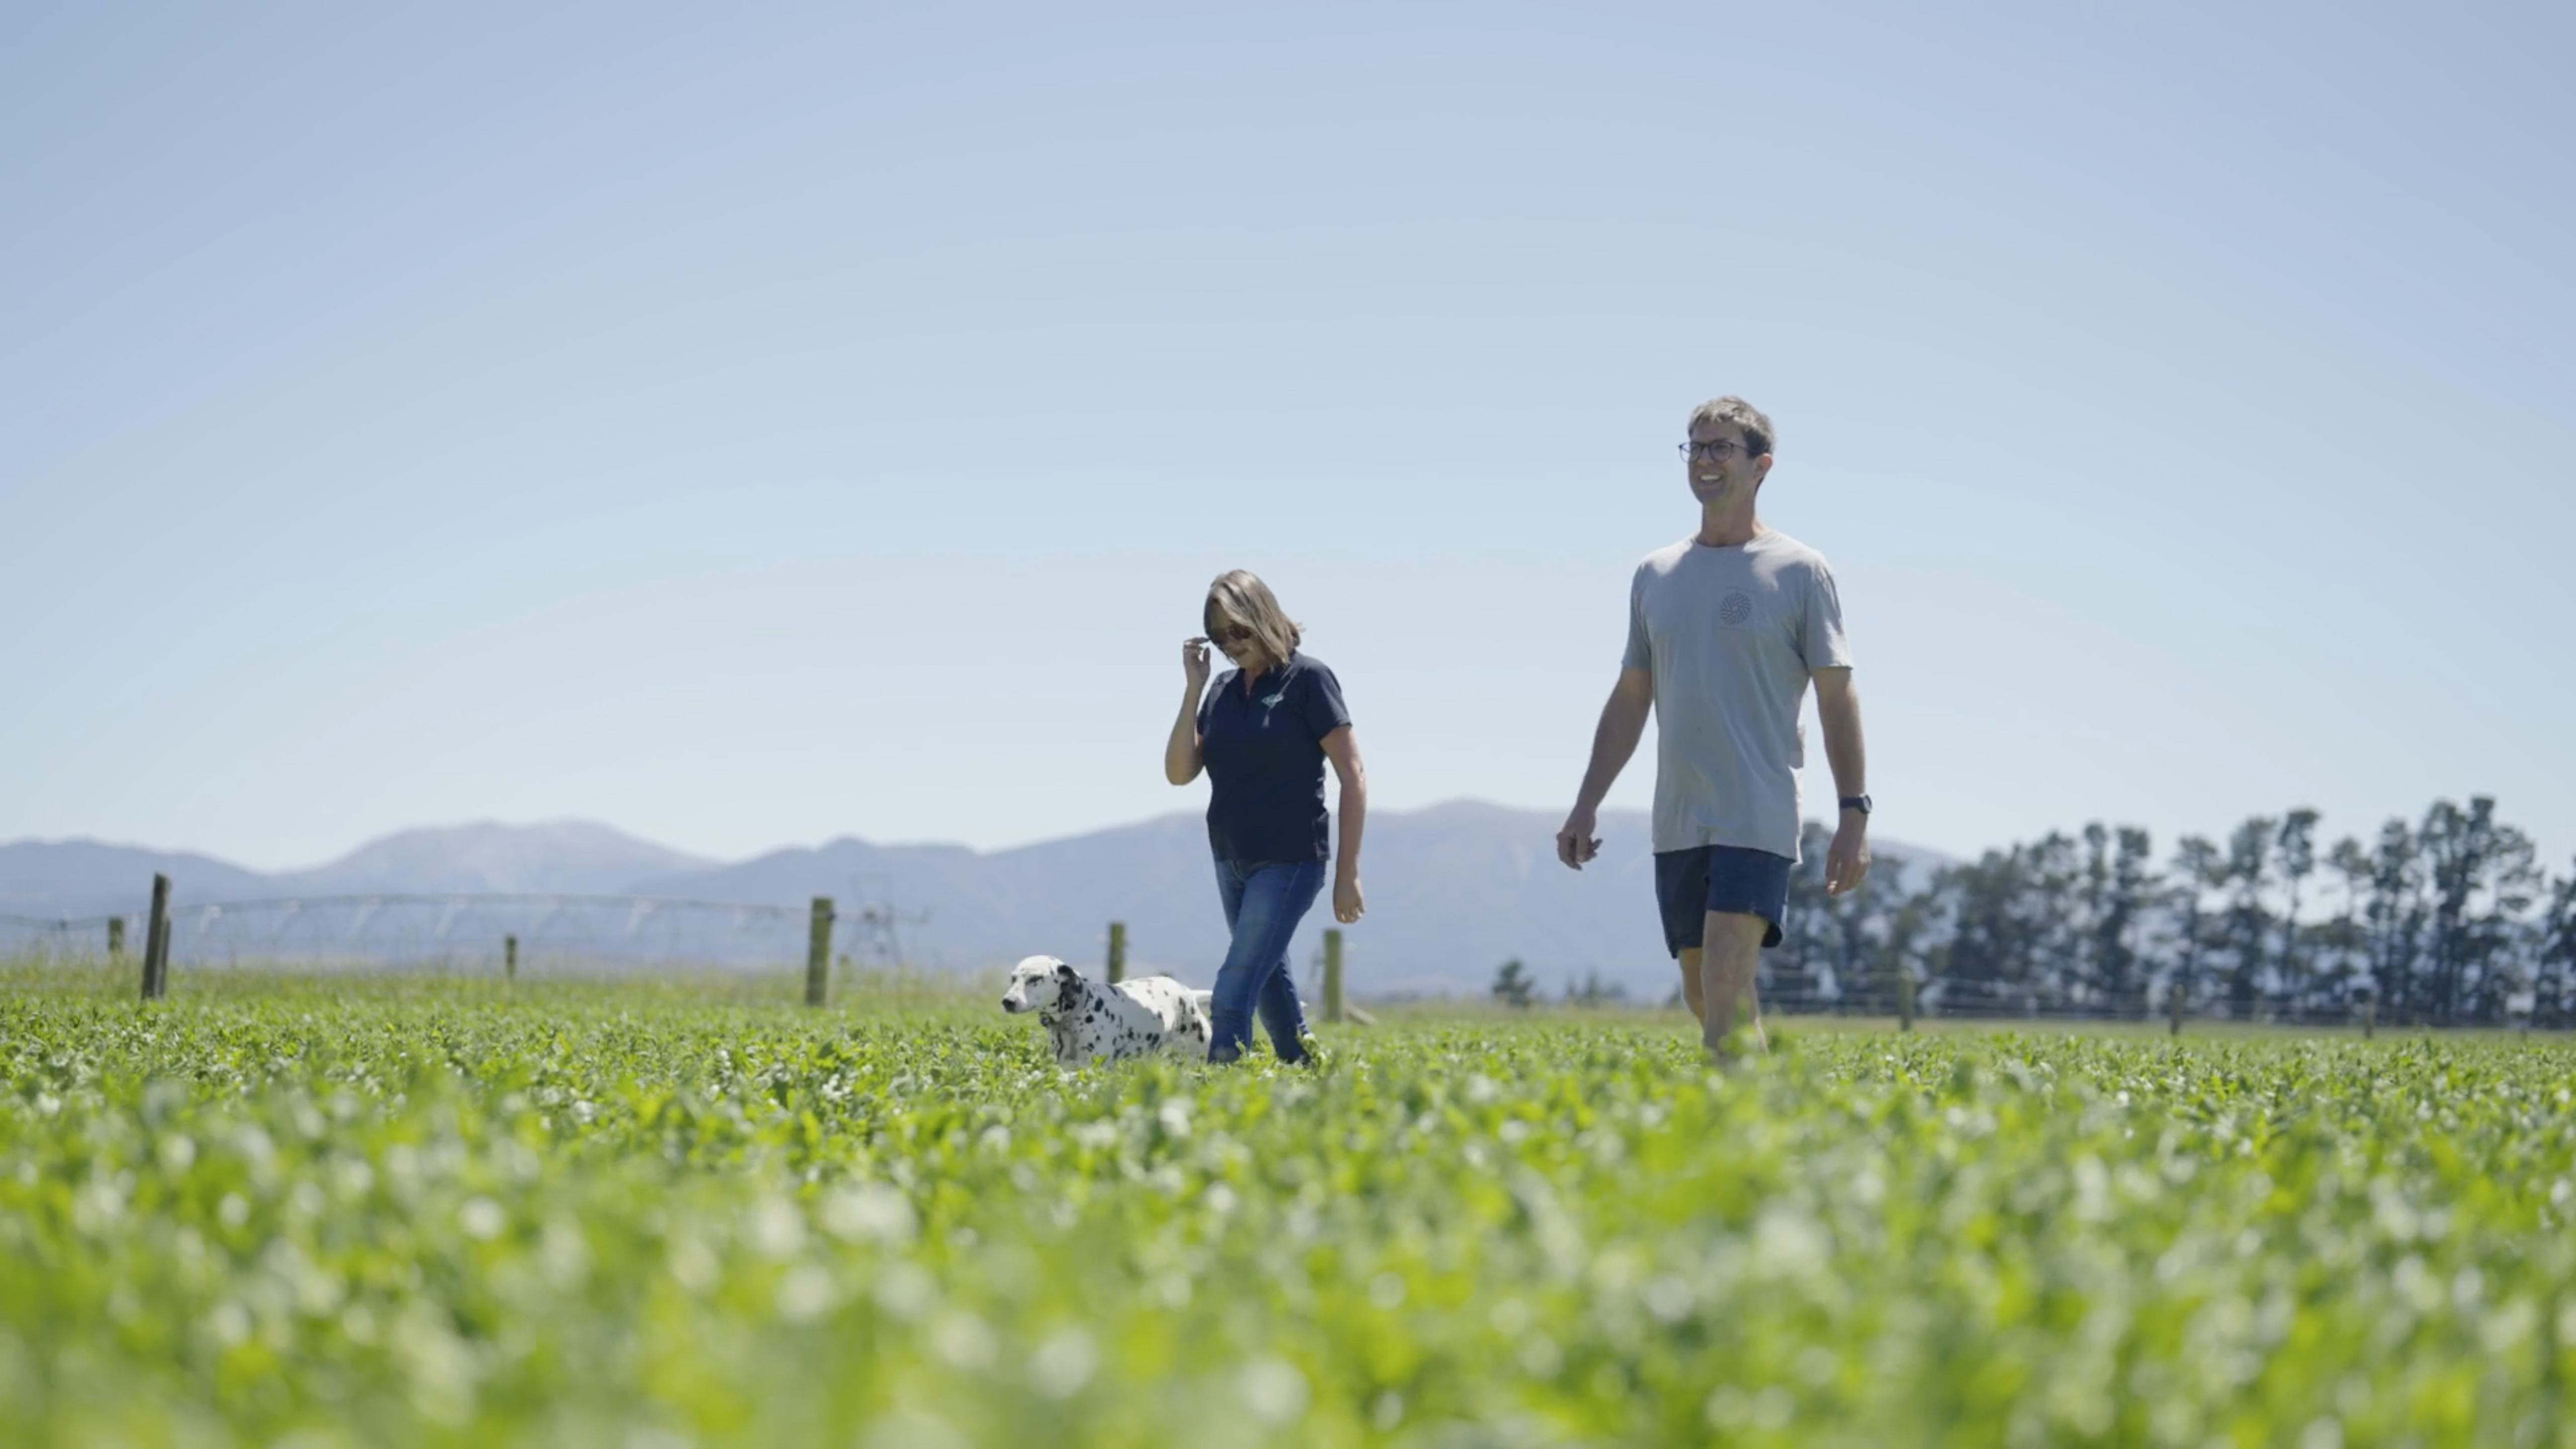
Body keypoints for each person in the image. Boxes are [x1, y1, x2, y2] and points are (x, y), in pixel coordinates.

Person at [1555, 396, 1871, 1062]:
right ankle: (1762, 1109)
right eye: (1695, 447)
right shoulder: (1656, 573)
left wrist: (1853, 812)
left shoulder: (1801, 571)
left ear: (1762, 466)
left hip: (1757, 809)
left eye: (1721, 448)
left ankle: (1737, 1142)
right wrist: (1587, 801)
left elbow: (1837, 697)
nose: (1705, 460)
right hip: (1679, 815)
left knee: (1727, 973)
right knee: (1704, 991)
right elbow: (1632, 693)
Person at [1163, 570, 1367, 1064]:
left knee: (1233, 990)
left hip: (1290, 860)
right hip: (1230, 860)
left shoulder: (1308, 679)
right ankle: (1311, 1075)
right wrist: (1193, 690)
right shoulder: (1221, 692)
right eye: (1218, 636)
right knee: (1269, 979)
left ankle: (1225, 1109)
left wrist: (1346, 874)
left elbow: (1353, 776)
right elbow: (1178, 773)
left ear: (1263, 617)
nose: (1230, 645)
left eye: (1238, 630)